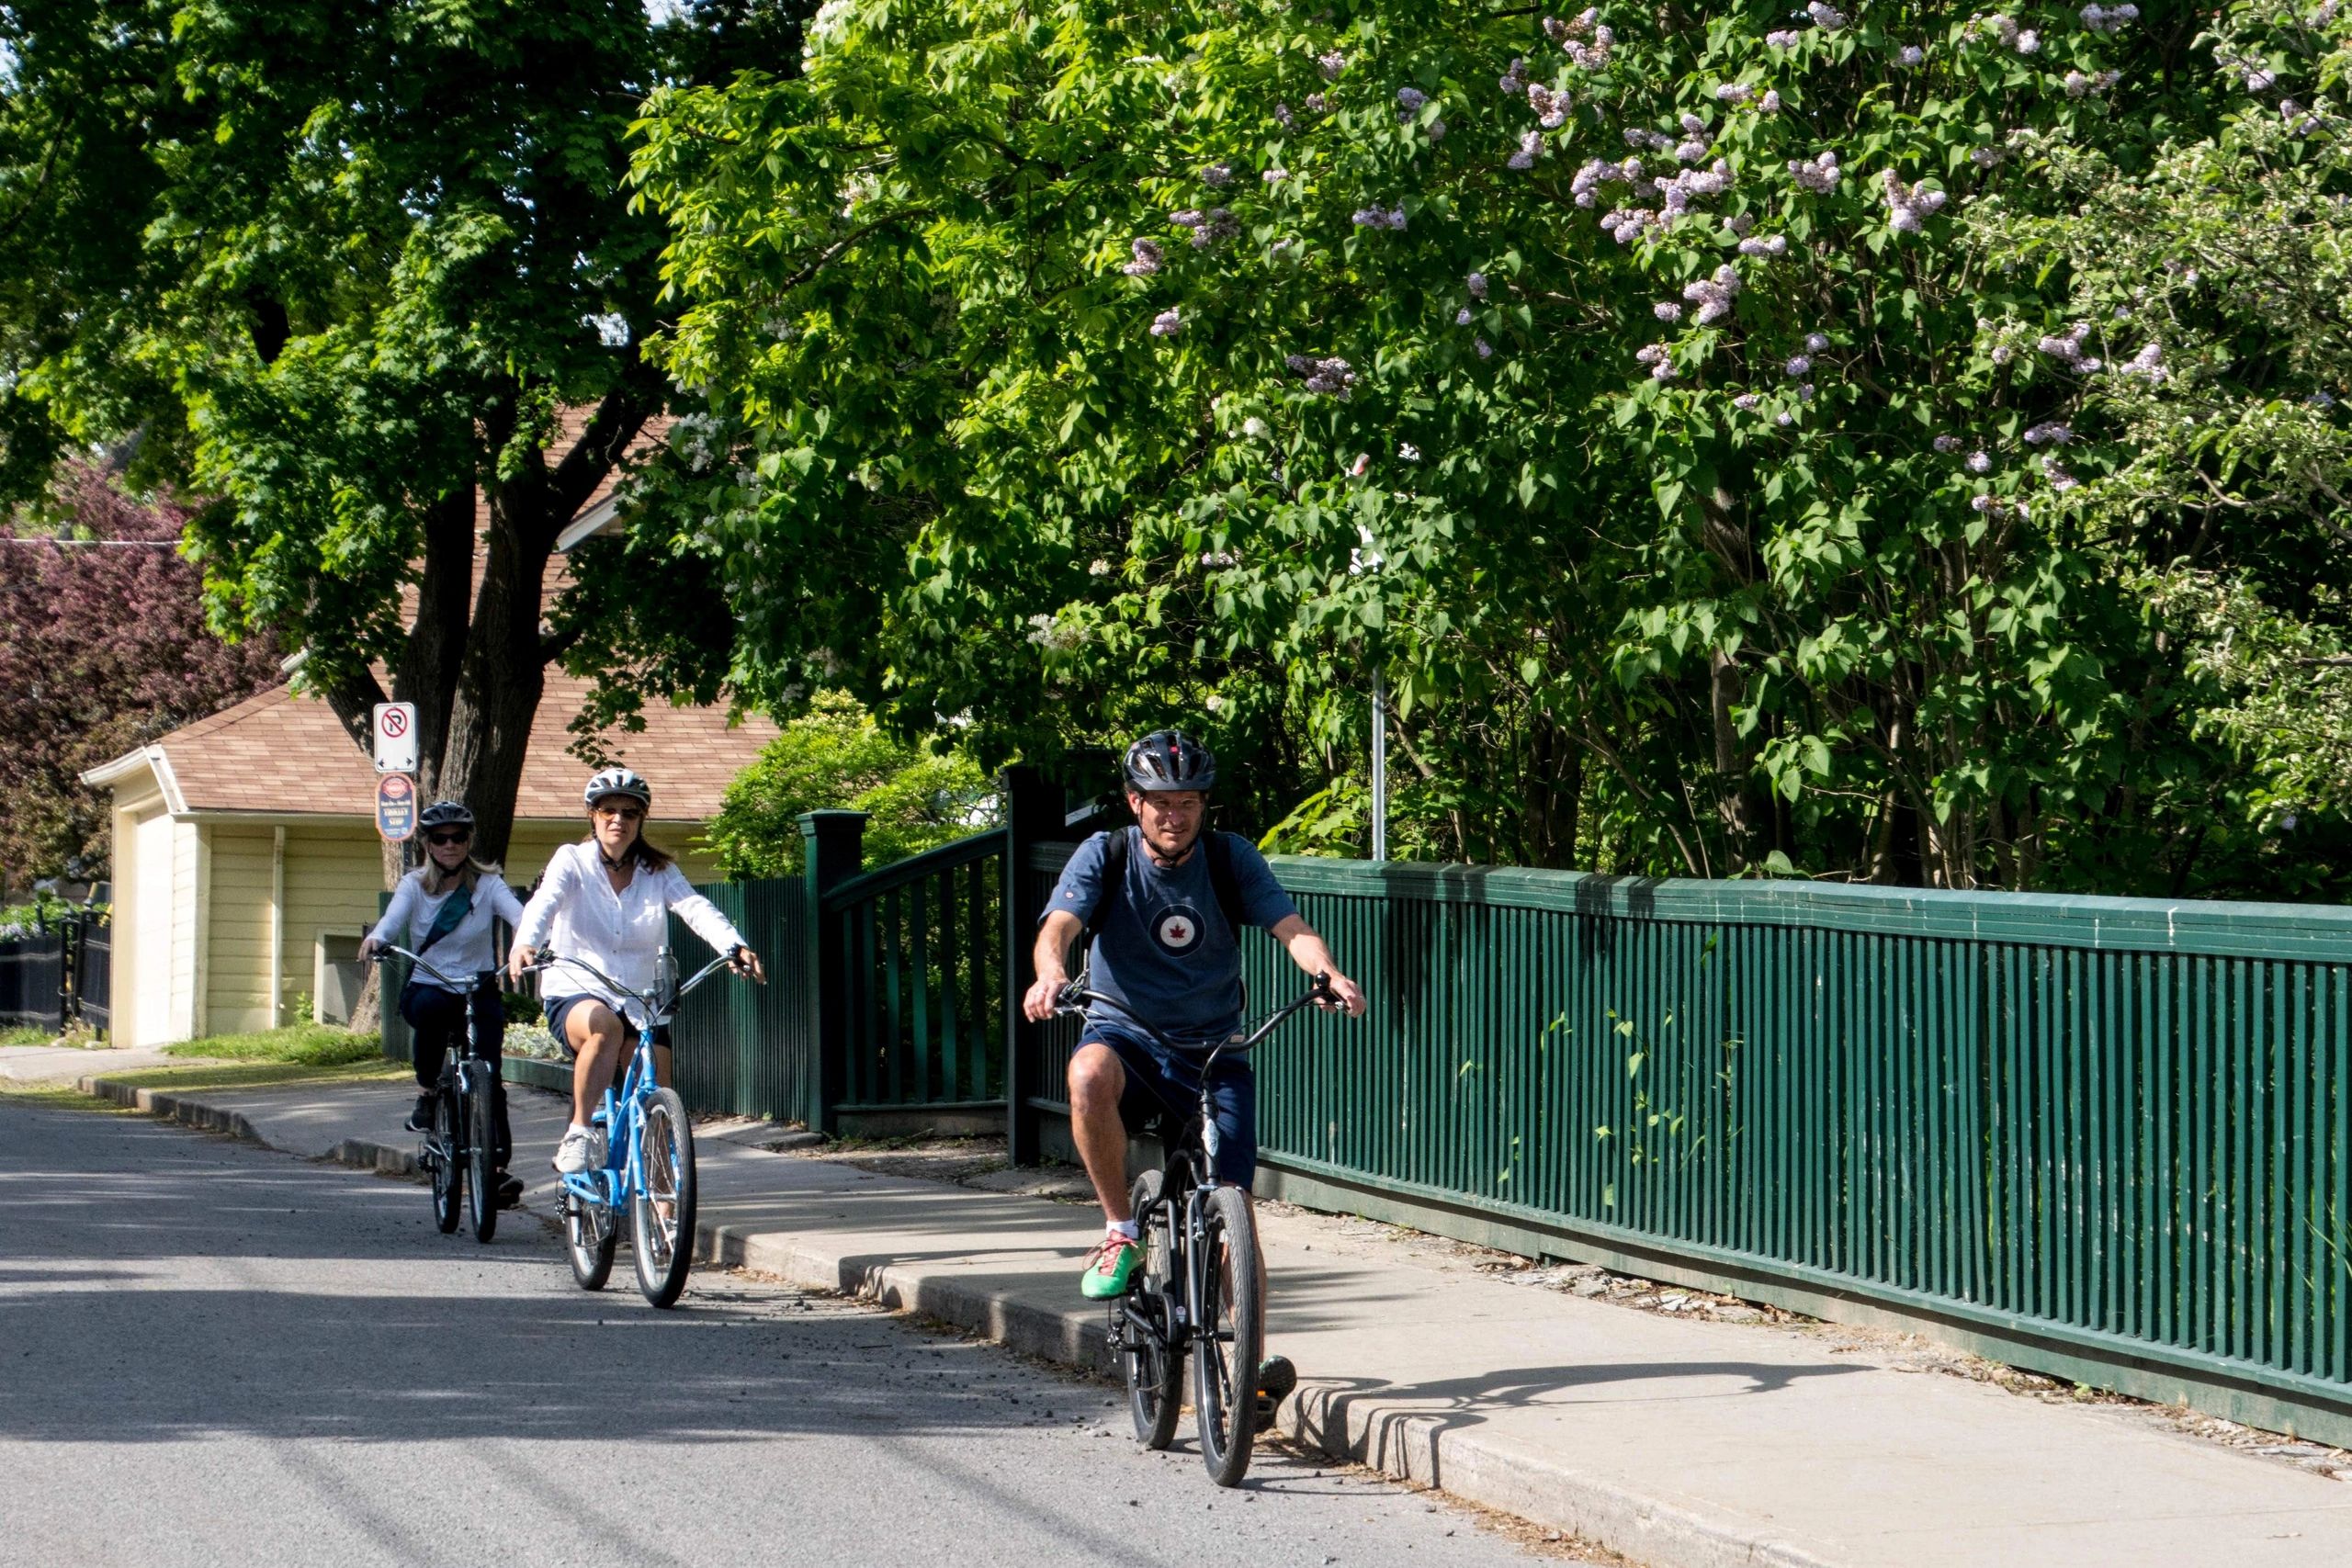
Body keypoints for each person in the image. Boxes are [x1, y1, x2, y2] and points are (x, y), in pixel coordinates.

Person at [1021, 729, 1367, 1429]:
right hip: (1128, 1037)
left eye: (1185, 802)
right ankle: (1121, 1227)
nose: (1172, 816)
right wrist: (1051, 971)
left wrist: (1325, 972)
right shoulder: (1107, 854)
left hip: (1215, 1050)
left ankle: (1252, 1365)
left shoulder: (1227, 857)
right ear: (1133, 802)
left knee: (1233, 1206)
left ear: (1202, 804)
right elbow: (1059, 924)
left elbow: (1291, 926)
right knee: (1086, 1071)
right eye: (1157, 803)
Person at [507, 768, 764, 1175]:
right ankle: (578, 1131)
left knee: (659, 1098)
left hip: (642, 999)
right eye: (608, 810)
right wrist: (526, 942)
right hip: (577, 988)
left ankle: (666, 1206)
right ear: (592, 815)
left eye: (630, 812)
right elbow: (544, 903)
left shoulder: (657, 870)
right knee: (603, 1027)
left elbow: (695, 908)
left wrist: (734, 945)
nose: (618, 820)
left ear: (641, 819)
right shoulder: (571, 861)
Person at [360, 801, 528, 1209]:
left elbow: (520, 916)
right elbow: (393, 920)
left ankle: (496, 1168)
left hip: (477, 988)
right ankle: (427, 1092)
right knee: (431, 1011)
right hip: (429, 984)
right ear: (428, 844)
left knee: (489, 1073)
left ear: (469, 841)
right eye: (440, 838)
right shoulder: (414, 885)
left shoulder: (487, 883)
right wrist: (377, 939)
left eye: (457, 837)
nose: (449, 845)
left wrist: (529, 941)